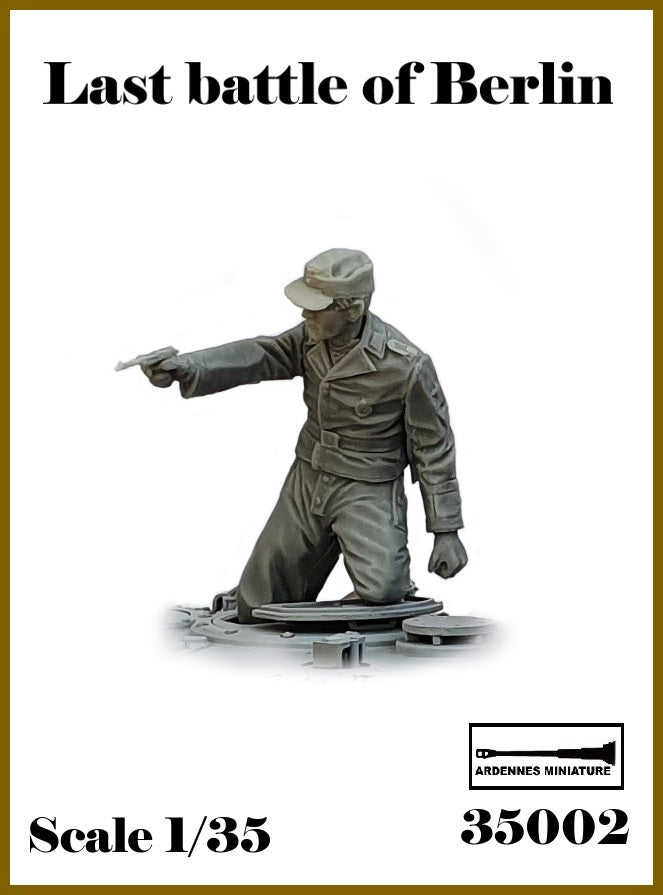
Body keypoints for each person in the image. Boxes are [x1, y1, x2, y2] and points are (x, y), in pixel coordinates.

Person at [143, 248, 467, 623]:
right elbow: (261, 354)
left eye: (317, 307)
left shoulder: (406, 365)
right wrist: (188, 367)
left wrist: (446, 531)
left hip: (367, 487)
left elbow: (434, 448)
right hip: (308, 478)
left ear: (352, 309)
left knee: (384, 592)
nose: (305, 314)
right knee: (258, 598)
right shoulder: (311, 339)